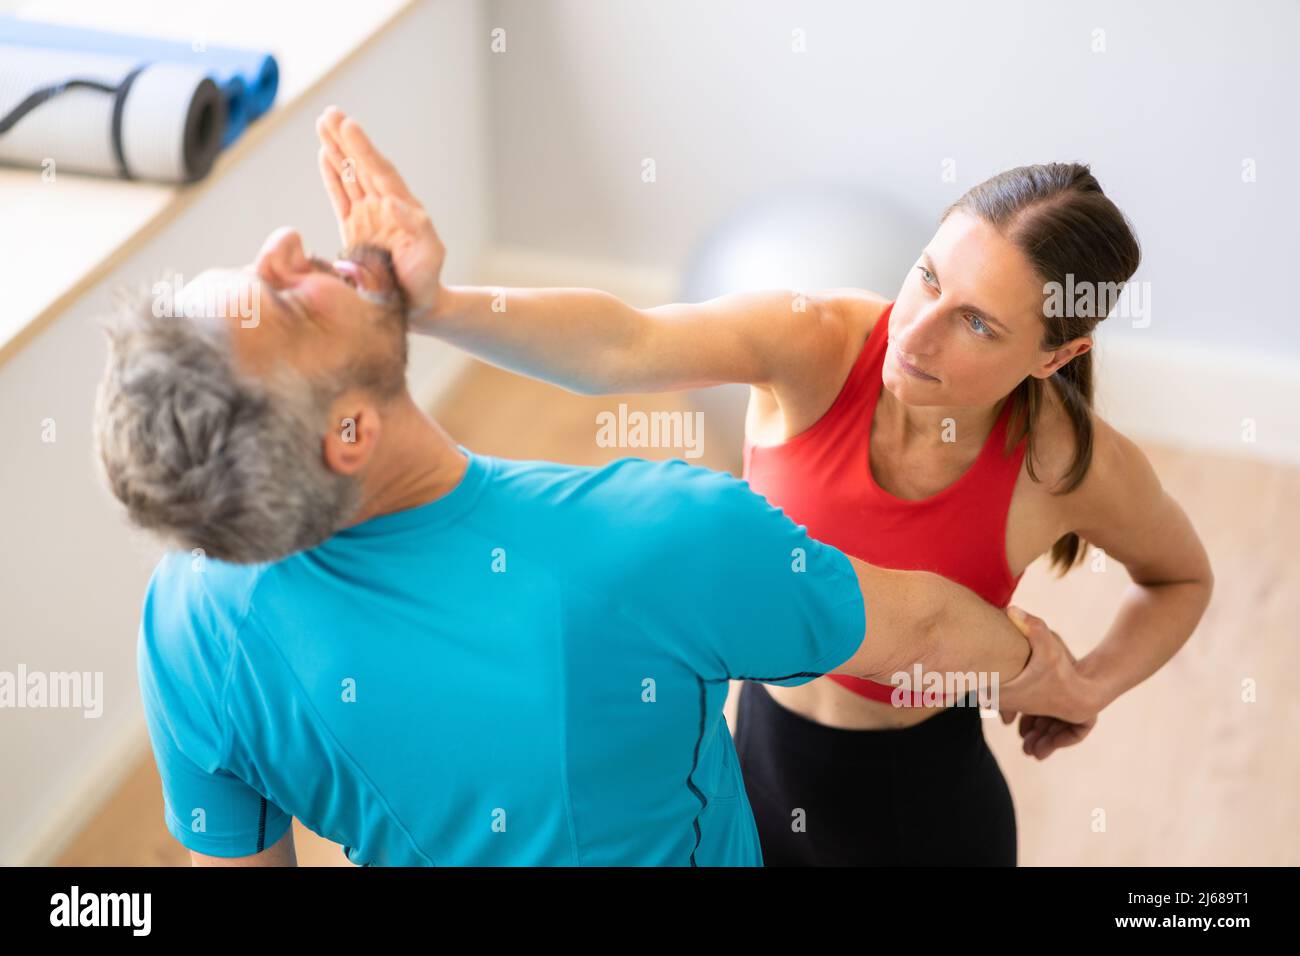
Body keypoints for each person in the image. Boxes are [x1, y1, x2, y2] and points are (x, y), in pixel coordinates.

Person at [311, 107, 1214, 865]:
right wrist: (436, 306)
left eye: (976, 323)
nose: (916, 331)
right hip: (753, 754)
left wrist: (1090, 684)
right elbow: (622, 343)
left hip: (924, 807)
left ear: (1056, 354)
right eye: (927, 276)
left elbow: (1181, 578)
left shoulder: (1065, 462)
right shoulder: (816, 343)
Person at [92, 221, 1086, 867]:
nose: (283, 241)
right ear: (346, 433)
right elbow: (908, 629)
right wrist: (1043, 669)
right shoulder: (653, 539)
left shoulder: (187, 611)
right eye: (283, 299)